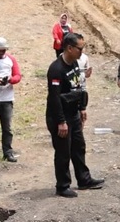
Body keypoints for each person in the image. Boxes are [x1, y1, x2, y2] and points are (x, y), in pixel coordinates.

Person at [45, 32, 105, 198]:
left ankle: (84, 180)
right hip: (60, 117)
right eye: (80, 48)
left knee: (79, 147)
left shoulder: (75, 64)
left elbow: (78, 87)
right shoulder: (56, 69)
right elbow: (55, 98)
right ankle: (62, 186)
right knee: (63, 151)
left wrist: (82, 108)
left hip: (73, 114)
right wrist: (61, 122)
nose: (82, 51)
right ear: (69, 48)